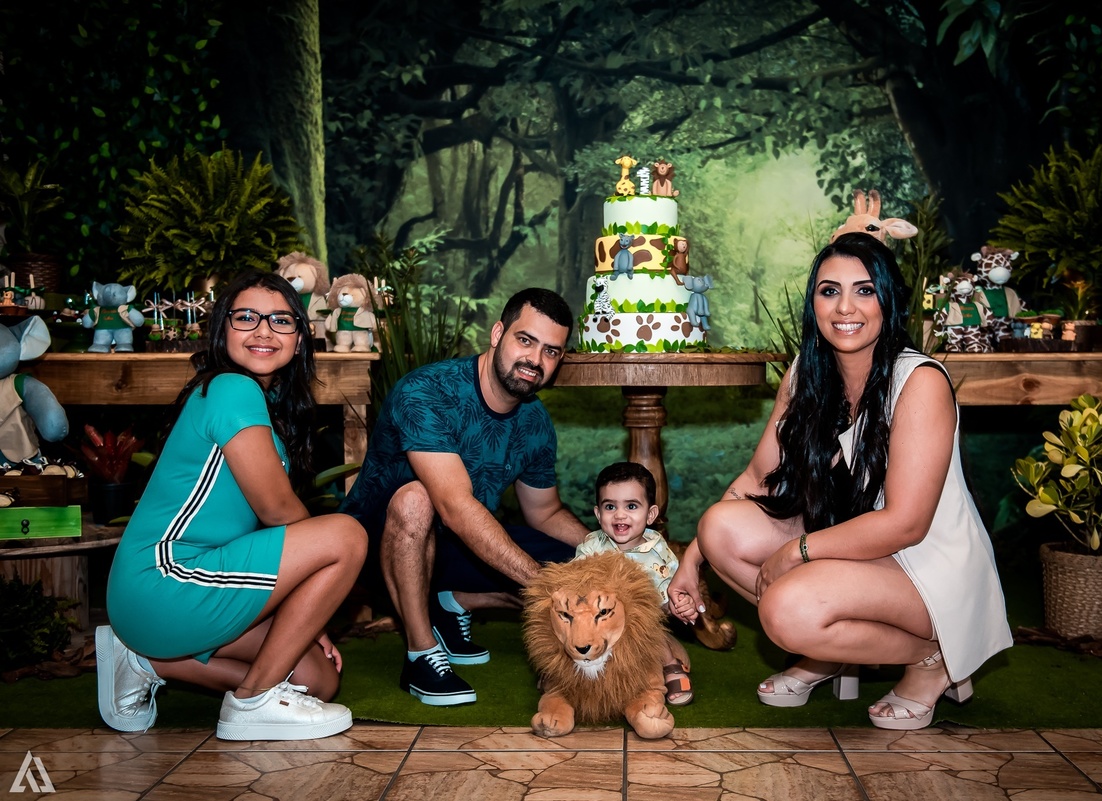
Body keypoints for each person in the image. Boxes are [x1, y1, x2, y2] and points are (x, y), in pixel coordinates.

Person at [667, 232, 1012, 730]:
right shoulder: (807, 372)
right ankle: (829, 650)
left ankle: (932, 657)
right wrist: (693, 560)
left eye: (864, 290)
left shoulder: (919, 381)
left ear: (888, 300)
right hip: (856, 551)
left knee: (786, 609)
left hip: (926, 568)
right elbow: (757, 478)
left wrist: (797, 552)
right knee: (719, 527)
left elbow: (905, 525)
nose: (845, 307)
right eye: (829, 291)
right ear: (814, 303)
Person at [98, 270, 368, 741]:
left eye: (281, 320)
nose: (264, 331)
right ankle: (252, 703)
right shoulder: (230, 388)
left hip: (197, 581)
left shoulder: (264, 403)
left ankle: (143, 660)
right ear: (222, 329)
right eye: (246, 318)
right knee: (347, 535)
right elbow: (277, 511)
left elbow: (256, 530)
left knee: (316, 680)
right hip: (164, 580)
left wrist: (307, 613)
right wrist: (316, 581)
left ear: (299, 339)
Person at [341, 288, 589, 706]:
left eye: (551, 351)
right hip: (377, 546)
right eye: (525, 340)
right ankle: (421, 653)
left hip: (455, 545)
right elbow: (454, 507)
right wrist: (546, 586)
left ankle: (450, 603)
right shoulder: (426, 391)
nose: (535, 360)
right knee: (416, 499)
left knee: (579, 570)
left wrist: (607, 553)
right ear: (497, 334)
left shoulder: (535, 421)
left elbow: (545, 513)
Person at [576, 461, 697, 705]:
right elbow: (576, 589)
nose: (620, 515)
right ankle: (563, 676)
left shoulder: (658, 551)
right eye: (610, 506)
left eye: (631, 506)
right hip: (600, 623)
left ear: (650, 514)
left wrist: (681, 605)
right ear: (598, 514)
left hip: (642, 627)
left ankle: (670, 665)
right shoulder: (591, 547)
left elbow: (668, 594)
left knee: (648, 621)